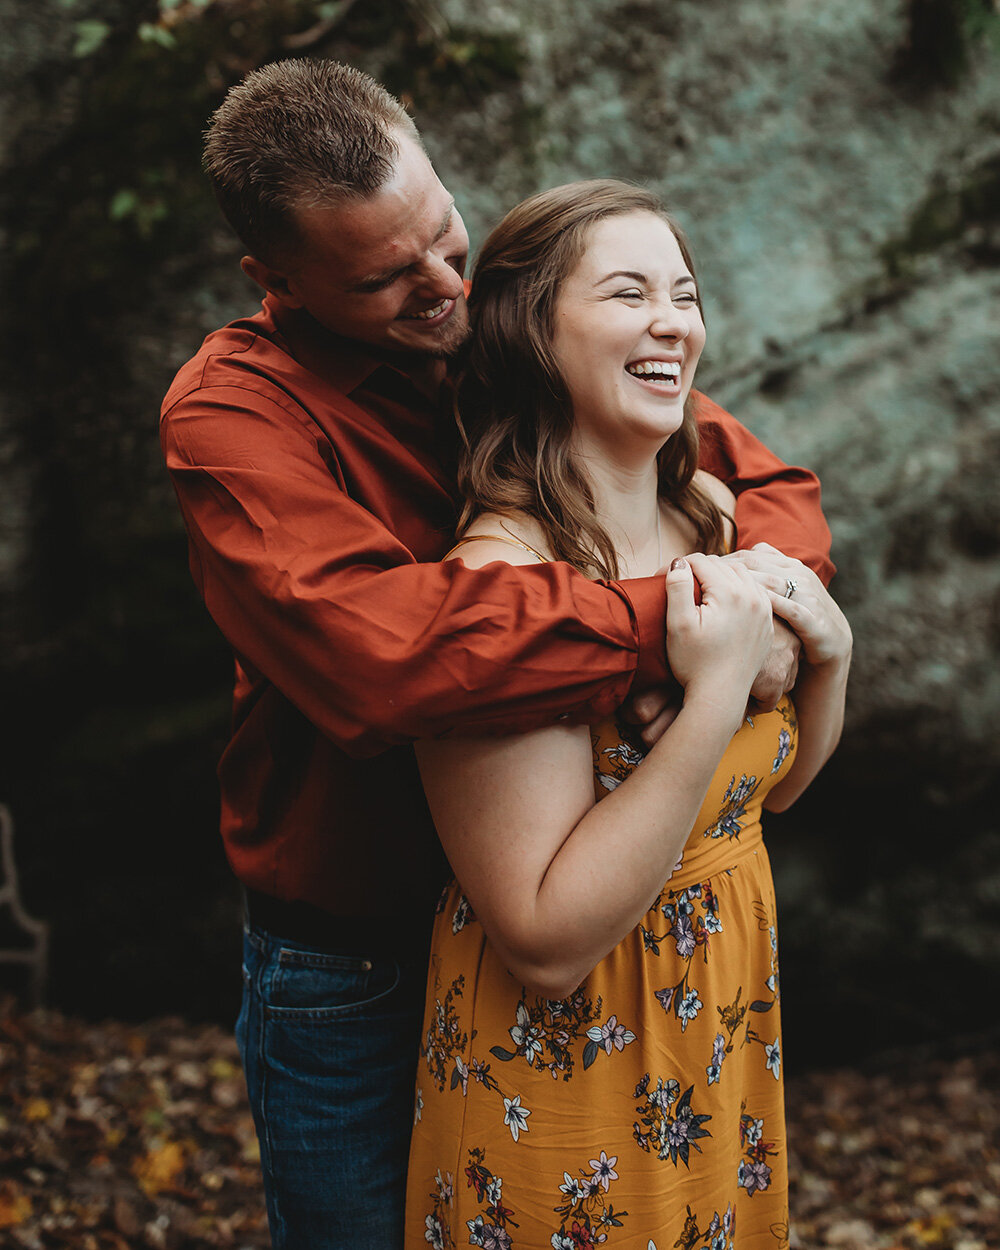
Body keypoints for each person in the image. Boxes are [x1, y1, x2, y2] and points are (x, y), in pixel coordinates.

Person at [160, 59, 834, 1249]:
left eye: (444, 235)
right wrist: (683, 627)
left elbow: (760, 482)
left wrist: (774, 602)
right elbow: (395, 655)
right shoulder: (233, 417)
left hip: (635, 951)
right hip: (358, 946)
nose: (440, 287)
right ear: (279, 279)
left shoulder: (501, 335)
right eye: (386, 276)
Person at [404, 180, 852, 1249]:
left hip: (719, 1029)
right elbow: (545, 936)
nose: (673, 321)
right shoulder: (497, 584)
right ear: (529, 330)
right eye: (628, 293)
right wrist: (709, 692)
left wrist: (830, 659)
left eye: (684, 293)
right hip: (570, 1065)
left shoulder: (705, 514)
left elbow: (766, 794)